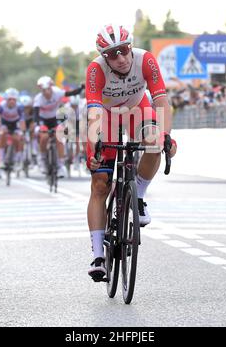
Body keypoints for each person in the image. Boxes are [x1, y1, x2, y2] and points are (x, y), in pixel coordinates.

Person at [85, 24, 177, 281]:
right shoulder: (95, 69)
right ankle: (97, 255)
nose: (121, 58)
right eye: (113, 54)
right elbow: (93, 111)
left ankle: (138, 195)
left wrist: (167, 135)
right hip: (105, 116)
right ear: (104, 56)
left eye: (124, 50)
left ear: (130, 47)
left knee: (154, 139)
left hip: (138, 109)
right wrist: (94, 145)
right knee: (100, 184)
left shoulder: (145, 59)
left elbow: (161, 101)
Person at [33, 76, 84, 177]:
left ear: (51, 87)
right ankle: (42, 160)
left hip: (55, 118)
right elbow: (35, 115)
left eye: (48, 89)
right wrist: (38, 126)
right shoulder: (38, 98)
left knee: (59, 138)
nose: (46, 92)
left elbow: (72, 93)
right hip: (43, 120)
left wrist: (81, 87)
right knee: (44, 137)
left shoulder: (57, 92)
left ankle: (60, 165)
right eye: (44, 90)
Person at [0, 88, 26, 171]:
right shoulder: (1, 106)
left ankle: (17, 160)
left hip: (15, 124)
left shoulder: (20, 106)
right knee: (2, 134)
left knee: (18, 138)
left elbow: (22, 120)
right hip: (4, 123)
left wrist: (22, 132)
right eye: (10, 99)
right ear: (6, 99)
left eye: (14, 99)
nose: (12, 101)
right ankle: (1, 159)